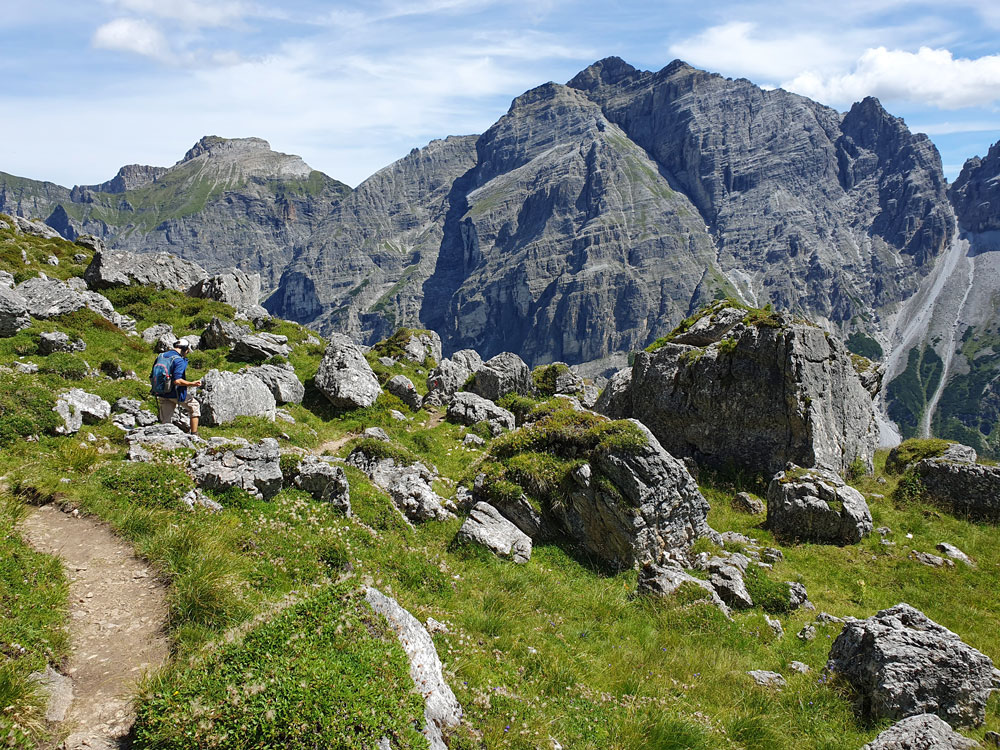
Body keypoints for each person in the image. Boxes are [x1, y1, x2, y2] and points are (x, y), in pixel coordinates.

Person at [156, 338, 203, 435]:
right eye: (187, 352)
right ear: (185, 349)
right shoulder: (178, 360)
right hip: (175, 393)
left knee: (165, 420)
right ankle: (195, 435)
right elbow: (177, 381)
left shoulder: (161, 356)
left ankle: (164, 439)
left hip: (161, 391)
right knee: (194, 406)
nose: (187, 353)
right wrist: (192, 383)